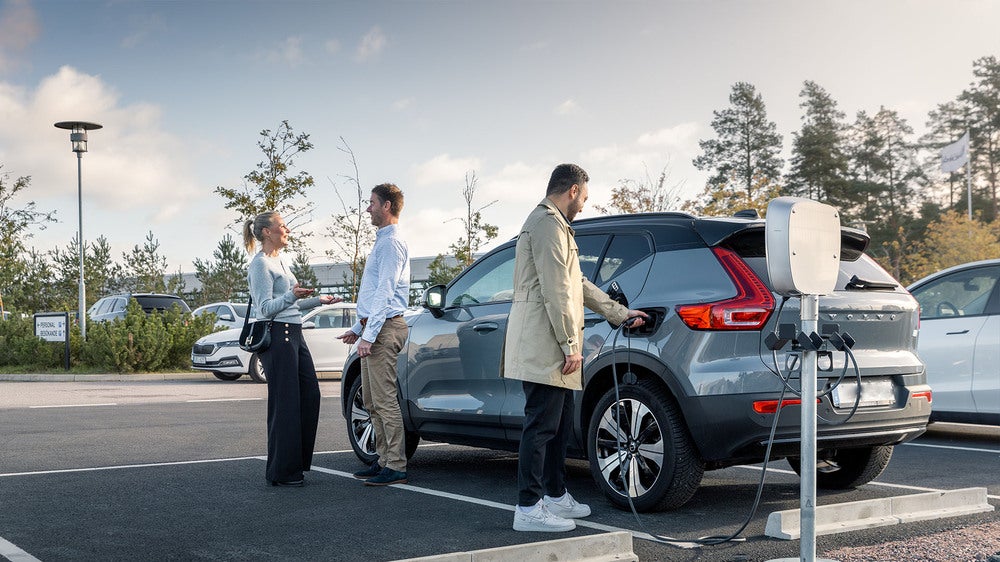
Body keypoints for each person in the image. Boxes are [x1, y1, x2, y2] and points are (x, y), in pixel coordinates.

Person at [504, 163, 648, 532]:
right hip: (546, 342)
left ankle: (553, 495)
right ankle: (528, 507)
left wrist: (619, 313)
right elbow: (557, 290)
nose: (583, 204)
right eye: (584, 197)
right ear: (571, 190)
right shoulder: (547, 224)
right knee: (540, 426)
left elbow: (577, 281)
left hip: (552, 341)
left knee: (558, 426)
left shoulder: (555, 225)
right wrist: (571, 345)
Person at [244, 211, 340, 487]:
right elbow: (265, 309)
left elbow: (292, 304)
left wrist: (319, 300)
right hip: (277, 336)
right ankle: (282, 472)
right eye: (282, 226)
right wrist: (290, 295)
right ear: (266, 232)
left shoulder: (282, 262)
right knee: (285, 404)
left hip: (295, 333)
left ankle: (294, 464)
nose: (287, 229)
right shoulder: (260, 265)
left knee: (309, 395)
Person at [337, 183, 411, 486]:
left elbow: (385, 293)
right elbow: (373, 296)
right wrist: (358, 330)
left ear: (387, 206)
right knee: (371, 401)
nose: (368, 208)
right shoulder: (381, 242)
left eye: (372, 203)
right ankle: (382, 460)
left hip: (385, 329)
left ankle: (396, 465)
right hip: (372, 328)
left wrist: (369, 335)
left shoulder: (392, 244)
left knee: (384, 400)